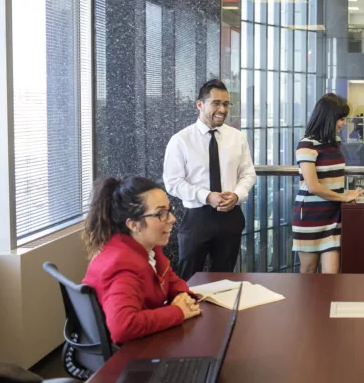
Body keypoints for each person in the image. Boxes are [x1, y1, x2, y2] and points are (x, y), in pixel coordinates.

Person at [82, 177, 201, 344]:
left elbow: (170, 279)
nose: (172, 218)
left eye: (169, 210)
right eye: (161, 213)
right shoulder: (122, 265)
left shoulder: (147, 248)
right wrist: (178, 311)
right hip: (129, 356)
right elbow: (123, 327)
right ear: (134, 225)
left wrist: (183, 296)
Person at [163, 79, 256, 281]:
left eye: (226, 104)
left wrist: (237, 195)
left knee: (225, 278)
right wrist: (206, 196)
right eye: (216, 103)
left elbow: (248, 174)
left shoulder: (237, 138)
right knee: (189, 277)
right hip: (197, 217)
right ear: (200, 104)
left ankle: (222, 314)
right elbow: (172, 181)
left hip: (231, 216)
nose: (222, 109)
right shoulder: (181, 140)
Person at [293, 93, 364, 273]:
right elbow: (313, 186)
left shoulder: (335, 142)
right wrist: (342, 197)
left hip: (333, 216)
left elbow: (332, 178)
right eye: (340, 119)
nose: (343, 123)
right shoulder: (306, 145)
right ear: (327, 118)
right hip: (309, 216)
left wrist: (346, 193)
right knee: (308, 271)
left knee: (331, 277)